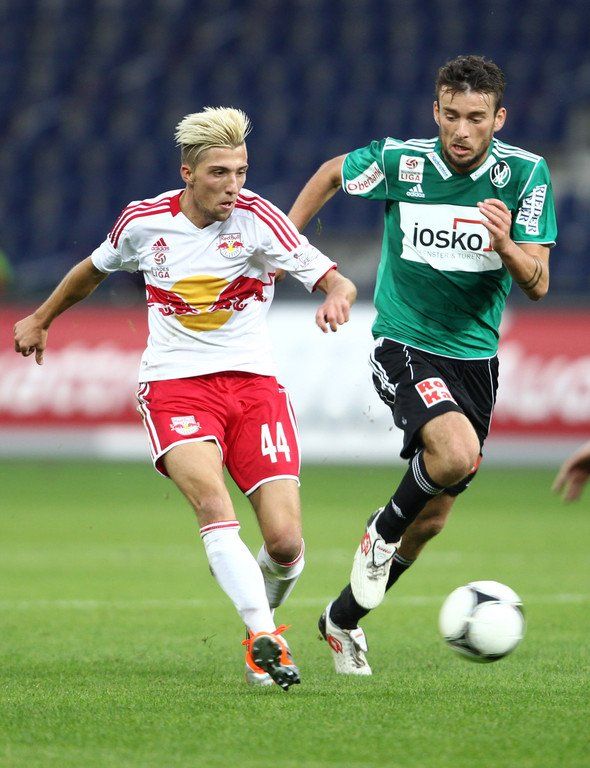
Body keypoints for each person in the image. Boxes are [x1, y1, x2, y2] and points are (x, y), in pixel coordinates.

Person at [14, 106, 357, 691]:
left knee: (285, 544)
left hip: (254, 387)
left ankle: (261, 623)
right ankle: (264, 638)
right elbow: (92, 270)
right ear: (188, 173)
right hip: (176, 386)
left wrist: (337, 296)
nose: (233, 186)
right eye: (220, 173)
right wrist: (43, 318)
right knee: (213, 505)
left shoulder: (260, 220)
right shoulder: (143, 221)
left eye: (241, 172)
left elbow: (334, 277)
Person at [288, 55, 557, 675]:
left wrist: (506, 244)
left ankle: (341, 620)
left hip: (476, 361)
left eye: (476, 118)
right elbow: (330, 175)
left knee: (432, 519)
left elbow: (539, 283)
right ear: (435, 111)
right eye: (451, 116)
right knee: (454, 456)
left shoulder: (525, 175)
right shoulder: (401, 161)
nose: (461, 131)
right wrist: (287, 246)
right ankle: (380, 531)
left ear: (499, 118)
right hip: (405, 342)